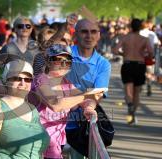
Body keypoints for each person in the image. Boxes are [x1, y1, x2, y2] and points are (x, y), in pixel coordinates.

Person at [32, 44, 98, 159]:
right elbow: (55, 104)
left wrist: (88, 108)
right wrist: (84, 96)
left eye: (67, 61)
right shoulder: (41, 80)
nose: (63, 65)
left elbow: (90, 99)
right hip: (36, 141)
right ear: (48, 61)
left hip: (56, 142)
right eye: (58, 60)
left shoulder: (66, 83)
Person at [0, 60, 50, 159]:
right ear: (6, 80)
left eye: (28, 79)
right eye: (17, 78)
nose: (22, 83)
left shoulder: (32, 109)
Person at [65, 18, 111, 158]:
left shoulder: (103, 64)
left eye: (93, 32)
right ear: (76, 34)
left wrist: (88, 107)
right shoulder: (63, 55)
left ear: (98, 35)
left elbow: (97, 94)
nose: (89, 36)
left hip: (79, 125)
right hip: (52, 121)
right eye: (84, 31)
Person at [113, 18, 153, 125]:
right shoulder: (145, 39)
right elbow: (151, 53)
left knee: (128, 89)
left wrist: (124, 54)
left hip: (128, 64)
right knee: (137, 92)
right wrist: (143, 55)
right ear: (140, 27)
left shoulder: (125, 37)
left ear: (130, 26)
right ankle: (132, 113)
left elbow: (115, 50)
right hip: (140, 65)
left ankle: (129, 104)